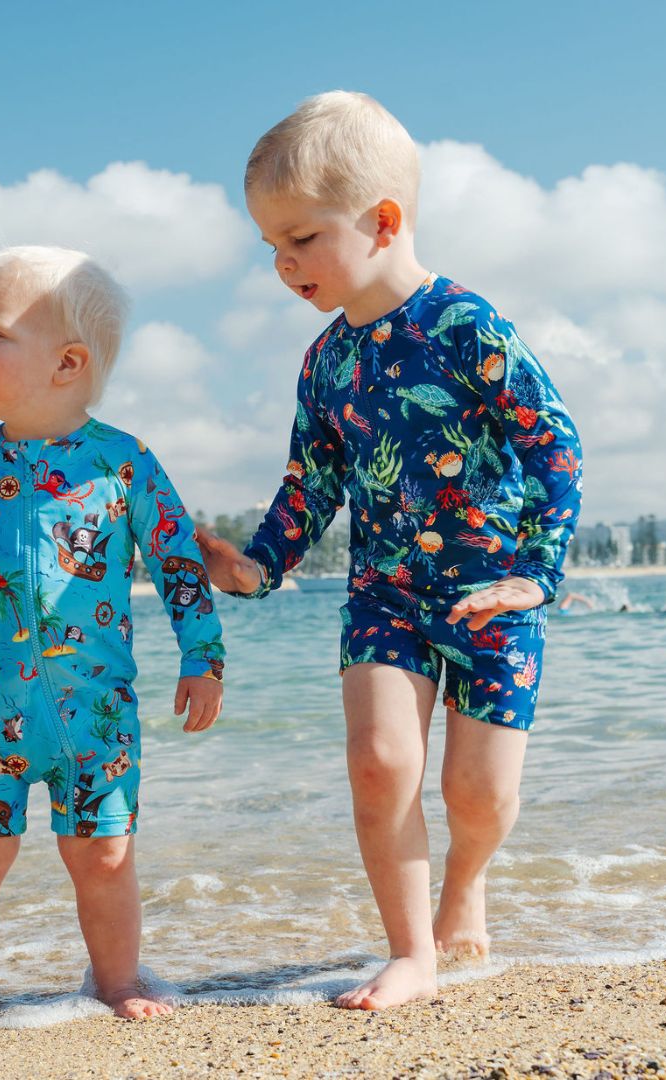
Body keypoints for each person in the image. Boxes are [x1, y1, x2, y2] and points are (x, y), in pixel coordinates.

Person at [196, 92, 582, 1011]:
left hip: (492, 597)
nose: (285, 265)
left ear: (382, 221)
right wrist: (258, 565)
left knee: (477, 796)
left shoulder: (466, 327)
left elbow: (554, 443)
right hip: (385, 598)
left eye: (301, 239)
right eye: (272, 249)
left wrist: (536, 575)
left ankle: (467, 881)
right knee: (378, 760)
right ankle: (413, 951)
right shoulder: (325, 361)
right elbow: (312, 483)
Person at [0, 246, 225, 1027]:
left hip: (95, 715)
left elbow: (179, 562)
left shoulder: (124, 462)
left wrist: (203, 658)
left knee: (103, 856)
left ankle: (117, 981)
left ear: (67, 362)